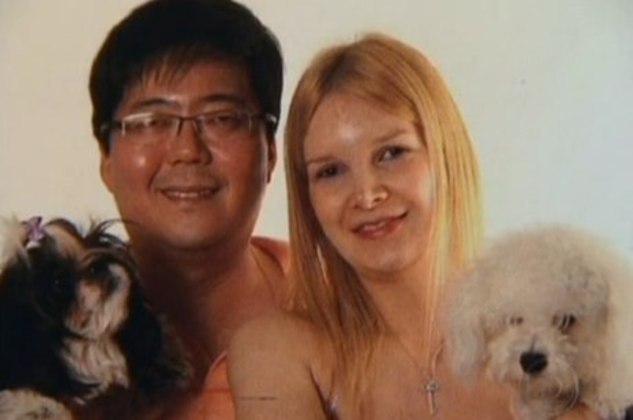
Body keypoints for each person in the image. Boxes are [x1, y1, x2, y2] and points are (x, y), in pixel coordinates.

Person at [228, 33, 599, 419]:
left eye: (392, 153)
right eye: (331, 171)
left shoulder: (566, 333)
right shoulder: (273, 350)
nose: (367, 195)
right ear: (307, 198)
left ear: (445, 155)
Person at [86, 0, 289, 418]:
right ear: (106, 160)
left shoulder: (342, 301)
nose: (187, 151)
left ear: (270, 151)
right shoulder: (47, 335)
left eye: (221, 118)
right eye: (151, 121)